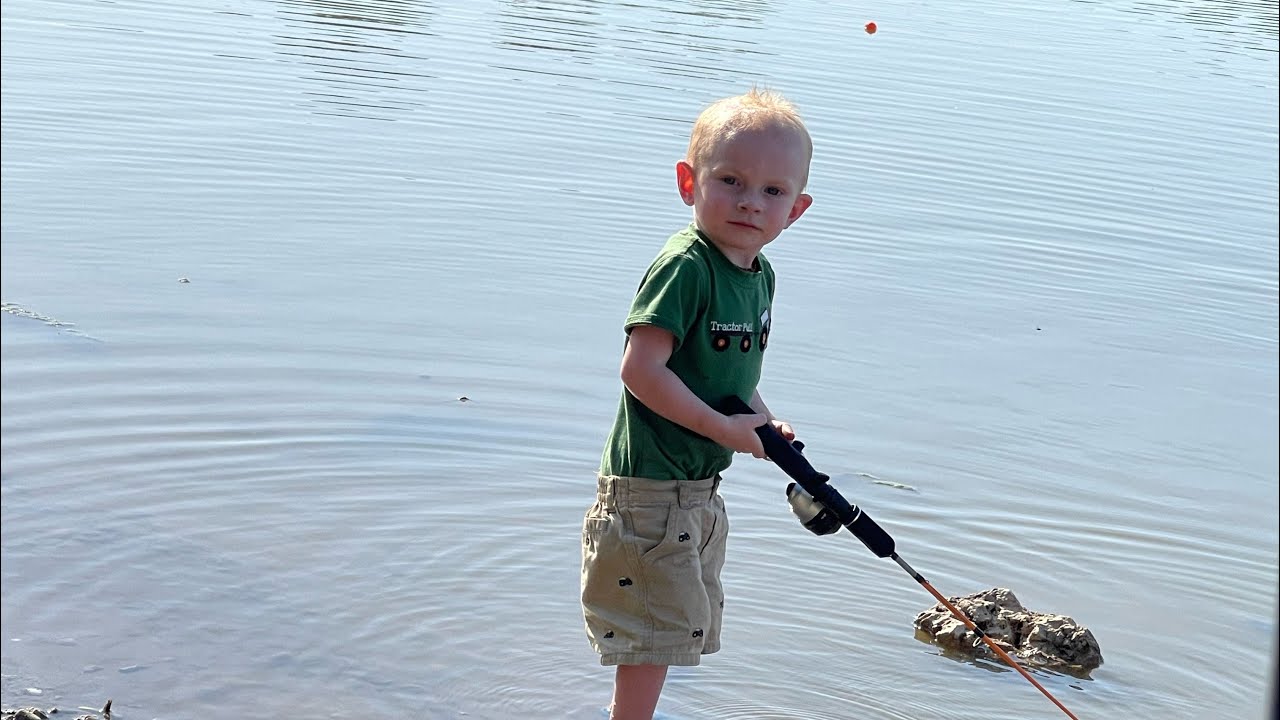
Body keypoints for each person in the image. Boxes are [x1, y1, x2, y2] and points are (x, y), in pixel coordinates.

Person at [580, 87, 815, 720]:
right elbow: (640, 369)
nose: (749, 201)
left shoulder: (757, 275)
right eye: (731, 179)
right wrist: (723, 428)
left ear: (796, 209)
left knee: (678, 623)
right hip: (647, 491)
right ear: (689, 182)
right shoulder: (686, 266)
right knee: (652, 634)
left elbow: (727, 374)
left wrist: (761, 425)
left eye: (772, 191)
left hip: (696, 489)